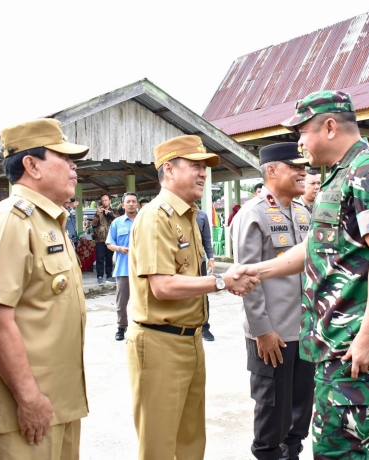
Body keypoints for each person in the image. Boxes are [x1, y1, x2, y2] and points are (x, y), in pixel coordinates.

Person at [237, 90, 369, 459]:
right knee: (335, 443)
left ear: (329, 126)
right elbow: (315, 248)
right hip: (332, 338)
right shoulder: (338, 177)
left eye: (302, 131)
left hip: (354, 340)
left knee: (340, 449)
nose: (300, 143)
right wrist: (257, 270)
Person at [126, 134, 259, 460]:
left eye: (205, 167)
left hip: (189, 339)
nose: (202, 173)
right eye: (195, 165)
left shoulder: (187, 216)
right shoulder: (155, 216)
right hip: (159, 343)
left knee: (190, 442)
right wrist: (221, 282)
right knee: (159, 445)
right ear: (168, 170)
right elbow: (163, 286)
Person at [0, 118, 90, 460]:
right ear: (31, 165)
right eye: (63, 158)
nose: (73, 166)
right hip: (25, 408)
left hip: (58, 400)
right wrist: (29, 398)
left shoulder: (49, 220)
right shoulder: (12, 220)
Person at [232, 142, 314, 460]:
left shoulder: (302, 212)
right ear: (271, 170)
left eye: (303, 166)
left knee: (300, 408)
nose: (302, 171)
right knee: (272, 410)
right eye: (294, 166)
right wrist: (262, 329)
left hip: (303, 330)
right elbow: (246, 280)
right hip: (273, 334)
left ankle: (292, 453)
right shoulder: (253, 214)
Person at [106, 192, 139, 341]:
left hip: (143, 269)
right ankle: (121, 327)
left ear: (137, 204)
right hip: (123, 269)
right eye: (128, 202)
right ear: (123, 204)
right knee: (121, 302)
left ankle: (142, 326)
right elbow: (109, 244)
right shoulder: (116, 223)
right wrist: (119, 249)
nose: (131, 204)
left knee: (143, 300)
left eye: (133, 201)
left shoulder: (144, 221)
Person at [196, 208, 216, 341]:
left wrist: (211, 258)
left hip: (199, 261)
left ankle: (204, 327)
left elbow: (206, 239)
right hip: (180, 263)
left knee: (202, 293)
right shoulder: (174, 212)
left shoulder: (201, 215)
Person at [93, 193, 116, 285]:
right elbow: (94, 224)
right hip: (100, 239)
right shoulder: (98, 211)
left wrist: (110, 214)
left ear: (110, 201)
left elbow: (116, 221)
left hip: (110, 238)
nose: (104, 202)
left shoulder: (114, 211)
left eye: (106, 200)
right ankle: (100, 276)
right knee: (100, 258)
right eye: (103, 200)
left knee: (109, 258)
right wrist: (98, 214)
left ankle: (109, 276)